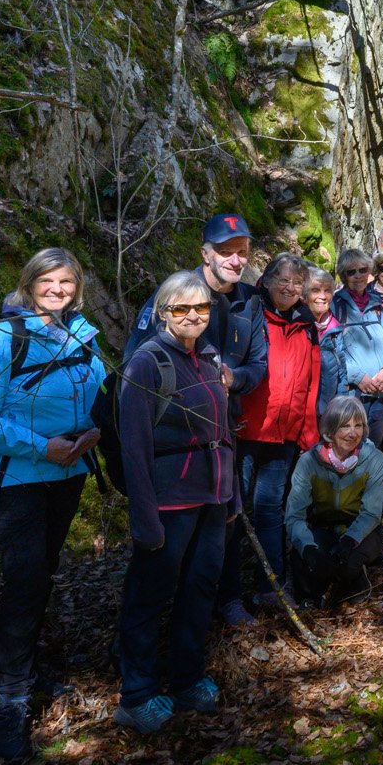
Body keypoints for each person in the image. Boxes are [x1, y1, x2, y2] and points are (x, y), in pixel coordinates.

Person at [0, 248, 105, 761]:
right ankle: (9, 701)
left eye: (67, 280)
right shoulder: (1, 340)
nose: (58, 289)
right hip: (12, 477)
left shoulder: (82, 336)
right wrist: (44, 447)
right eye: (48, 280)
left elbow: (99, 399)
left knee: (41, 574)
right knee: (24, 577)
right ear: (29, 283)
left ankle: (27, 669)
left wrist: (94, 431)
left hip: (66, 474)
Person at [113, 269, 236, 734]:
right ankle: (137, 694)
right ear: (162, 312)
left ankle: (187, 677)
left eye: (201, 308)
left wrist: (233, 496)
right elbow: (133, 446)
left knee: (199, 588)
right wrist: (144, 516)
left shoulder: (207, 357)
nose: (192, 317)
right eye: (180, 308)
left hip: (213, 497)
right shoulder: (146, 362)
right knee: (149, 596)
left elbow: (225, 433)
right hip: (169, 501)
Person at [216, 253, 322, 618]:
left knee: (269, 510)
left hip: (284, 434)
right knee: (234, 511)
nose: (291, 288)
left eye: (298, 282)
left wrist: (307, 431)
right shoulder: (250, 313)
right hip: (247, 428)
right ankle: (227, 594)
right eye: (284, 280)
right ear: (267, 280)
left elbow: (312, 382)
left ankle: (270, 588)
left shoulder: (307, 325)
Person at [126, 215, 268, 403]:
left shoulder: (252, 300)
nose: (236, 261)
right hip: (176, 416)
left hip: (227, 421)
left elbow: (257, 363)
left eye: (242, 252)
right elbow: (135, 359)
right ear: (205, 254)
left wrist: (233, 378)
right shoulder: (177, 292)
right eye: (225, 252)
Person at [285, 395, 383, 609]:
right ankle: (310, 597)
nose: (353, 433)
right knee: (305, 556)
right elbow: (294, 516)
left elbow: (371, 513)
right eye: (345, 426)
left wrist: (349, 540)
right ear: (330, 430)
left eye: (358, 425)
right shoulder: (308, 462)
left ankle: (356, 579)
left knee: (347, 562)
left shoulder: (374, 459)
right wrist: (308, 549)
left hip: (361, 529)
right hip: (323, 527)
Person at [324, 248, 383, 464]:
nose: (358, 275)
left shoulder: (377, 307)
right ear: (342, 276)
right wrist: (358, 377)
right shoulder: (334, 308)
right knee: (347, 451)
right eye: (351, 272)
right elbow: (332, 351)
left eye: (362, 270)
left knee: (372, 451)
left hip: (381, 392)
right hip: (353, 394)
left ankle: (369, 495)